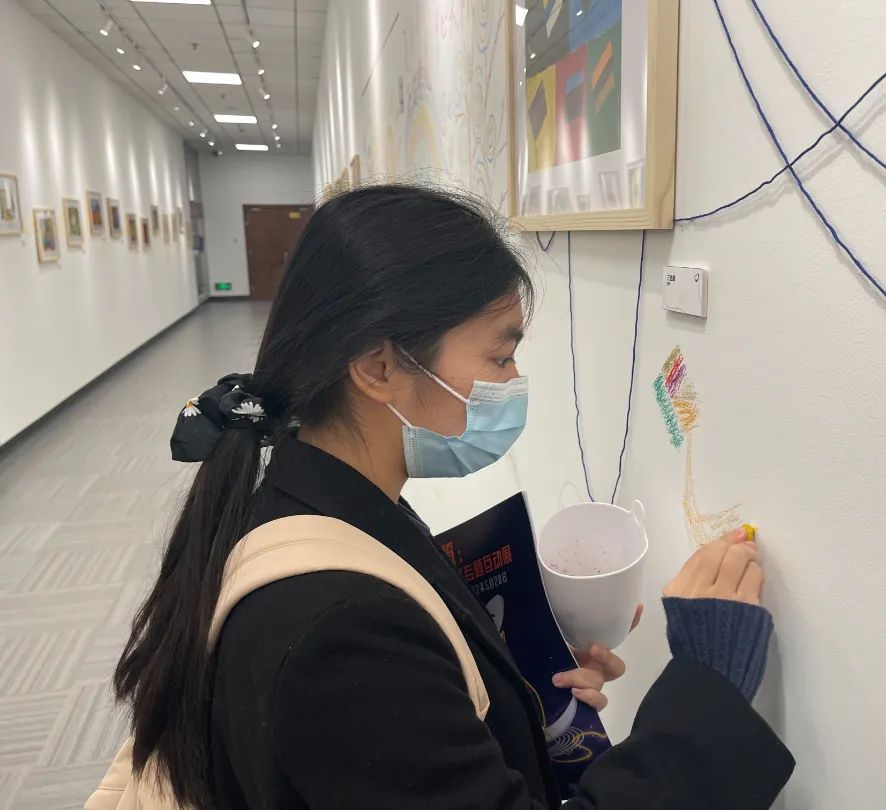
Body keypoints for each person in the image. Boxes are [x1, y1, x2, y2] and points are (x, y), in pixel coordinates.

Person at [114, 185, 794, 809]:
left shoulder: (324, 501)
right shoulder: (343, 631)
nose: (515, 381)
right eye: (500, 357)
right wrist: (708, 688)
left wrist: (513, 681)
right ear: (379, 367)